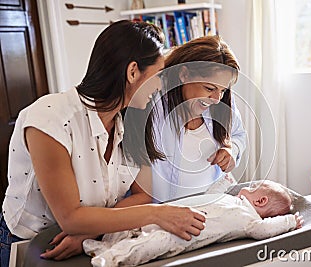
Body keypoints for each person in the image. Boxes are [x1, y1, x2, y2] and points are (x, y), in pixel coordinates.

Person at [0, 20, 206, 266]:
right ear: (132, 72)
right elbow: (70, 219)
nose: (161, 84)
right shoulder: (50, 118)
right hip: (30, 246)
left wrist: (91, 231)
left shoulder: (132, 120)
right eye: (159, 74)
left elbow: (143, 194)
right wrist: (159, 214)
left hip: (91, 241)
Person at [124, 35, 247, 203]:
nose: (217, 98)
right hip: (162, 212)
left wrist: (232, 150)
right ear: (184, 74)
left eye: (223, 90)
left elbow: (239, 135)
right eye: (209, 88)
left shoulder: (221, 104)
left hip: (212, 204)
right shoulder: (150, 104)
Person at [83, 180, 304, 267]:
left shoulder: (249, 220)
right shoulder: (233, 199)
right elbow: (209, 196)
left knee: (148, 245)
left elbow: (262, 231)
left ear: (261, 200)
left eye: (255, 186)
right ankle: (105, 245)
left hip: (183, 235)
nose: (249, 185)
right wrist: (222, 182)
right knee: (132, 227)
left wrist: (288, 222)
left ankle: (111, 259)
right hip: (170, 217)